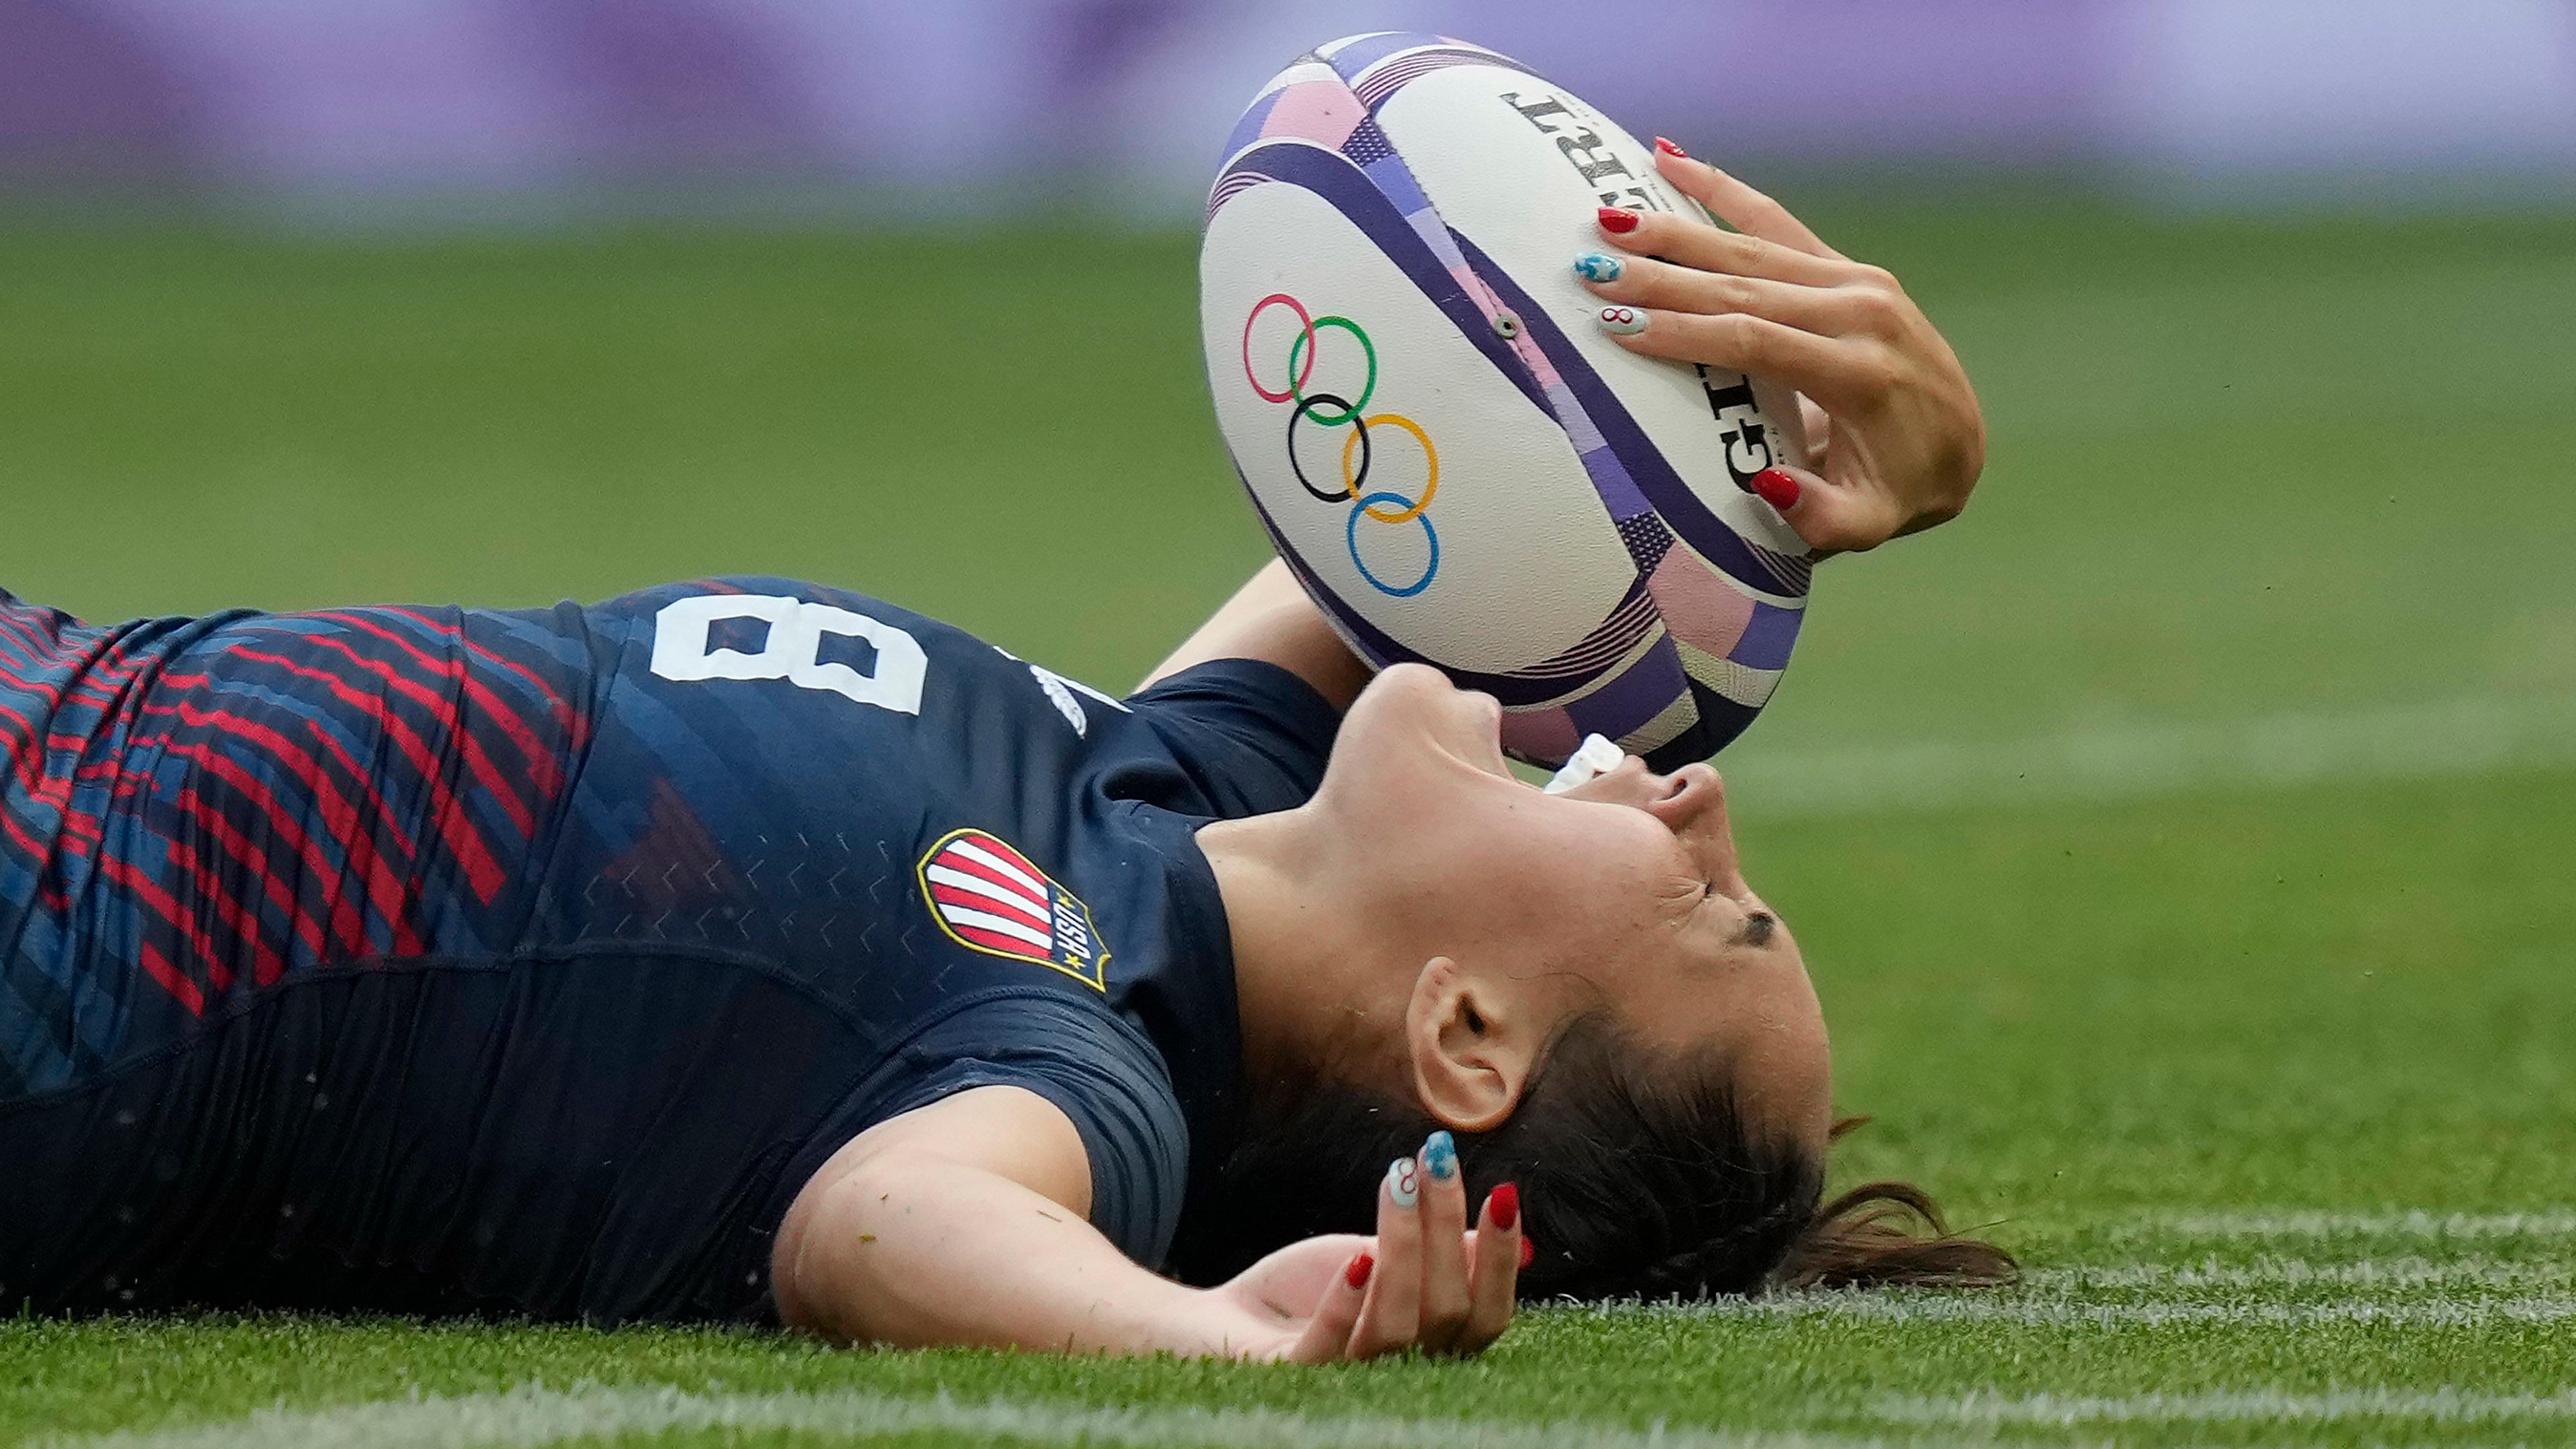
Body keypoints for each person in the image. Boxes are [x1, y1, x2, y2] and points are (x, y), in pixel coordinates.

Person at [0, 150, 2007, 1359]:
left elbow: (879, 1233)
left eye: (1721, 913)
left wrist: (1219, 1336)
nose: (1705, 795)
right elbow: (1446, 494)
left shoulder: (1080, 1059)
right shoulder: (1173, 805)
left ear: (1464, 1038)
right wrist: (1827, 475)